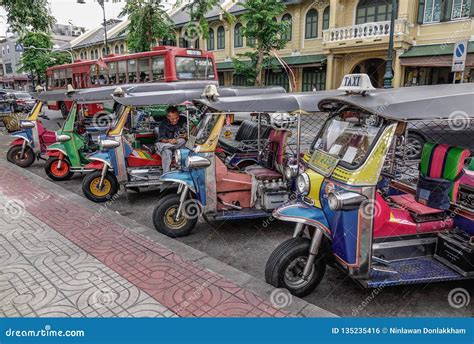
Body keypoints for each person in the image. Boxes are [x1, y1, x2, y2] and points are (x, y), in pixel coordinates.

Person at [155, 106, 187, 173]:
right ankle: (166, 175)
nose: (175, 120)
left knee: (182, 141)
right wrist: (169, 141)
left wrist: (186, 135)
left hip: (179, 145)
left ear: (179, 115)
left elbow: (193, 128)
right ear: (168, 117)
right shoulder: (163, 124)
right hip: (167, 144)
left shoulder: (184, 119)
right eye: (172, 119)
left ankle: (160, 147)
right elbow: (161, 139)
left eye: (177, 118)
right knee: (167, 152)